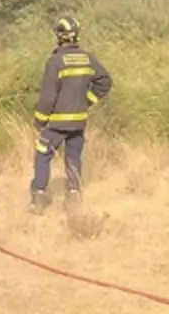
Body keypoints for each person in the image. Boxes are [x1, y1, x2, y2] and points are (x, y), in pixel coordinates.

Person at [30, 16, 113, 213]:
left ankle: (39, 196)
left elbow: (48, 96)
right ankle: (74, 194)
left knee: (43, 154)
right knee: (74, 157)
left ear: (59, 36)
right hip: (78, 121)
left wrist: (40, 120)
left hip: (57, 122)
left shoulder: (56, 61)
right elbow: (105, 81)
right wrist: (87, 101)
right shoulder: (87, 58)